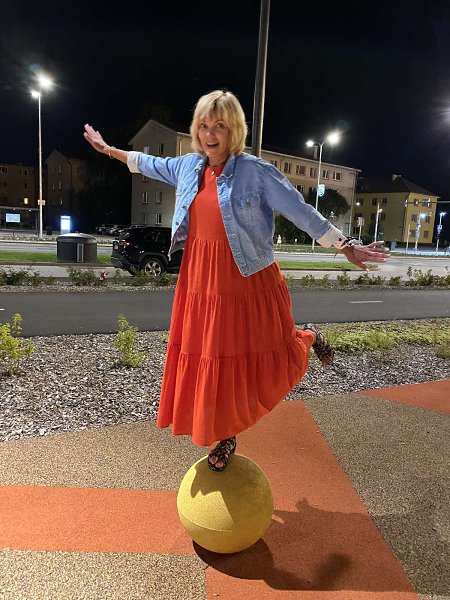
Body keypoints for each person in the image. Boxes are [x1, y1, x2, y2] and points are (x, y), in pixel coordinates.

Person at [84, 90, 389, 472]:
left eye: (220, 126)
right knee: (213, 357)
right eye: (204, 126)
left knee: (261, 355)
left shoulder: (254, 171)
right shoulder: (188, 167)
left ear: (234, 130)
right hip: (201, 279)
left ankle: (308, 337)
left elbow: (299, 210)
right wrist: (108, 150)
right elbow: (147, 162)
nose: (210, 134)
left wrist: (345, 244)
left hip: (246, 277)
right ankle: (225, 434)